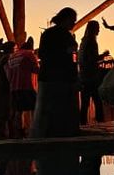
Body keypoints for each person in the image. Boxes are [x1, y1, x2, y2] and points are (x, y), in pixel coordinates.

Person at [32, 7, 80, 138]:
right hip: (59, 79)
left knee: (47, 111)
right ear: (66, 19)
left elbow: (42, 54)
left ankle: (45, 135)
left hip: (50, 77)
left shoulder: (50, 34)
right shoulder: (62, 35)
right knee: (58, 111)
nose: (74, 23)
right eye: (73, 20)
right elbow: (70, 56)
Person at [5, 37, 38, 137]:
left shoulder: (12, 57)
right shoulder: (29, 54)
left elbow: (8, 73)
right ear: (31, 48)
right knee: (35, 108)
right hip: (26, 86)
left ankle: (17, 132)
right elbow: (36, 70)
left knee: (17, 111)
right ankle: (34, 130)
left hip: (14, 88)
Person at [78, 21, 107, 124]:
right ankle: (100, 121)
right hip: (91, 76)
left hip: (83, 75)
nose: (99, 30)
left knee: (85, 102)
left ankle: (82, 122)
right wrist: (103, 56)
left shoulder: (83, 41)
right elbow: (92, 59)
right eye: (97, 28)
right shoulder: (91, 41)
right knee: (98, 100)